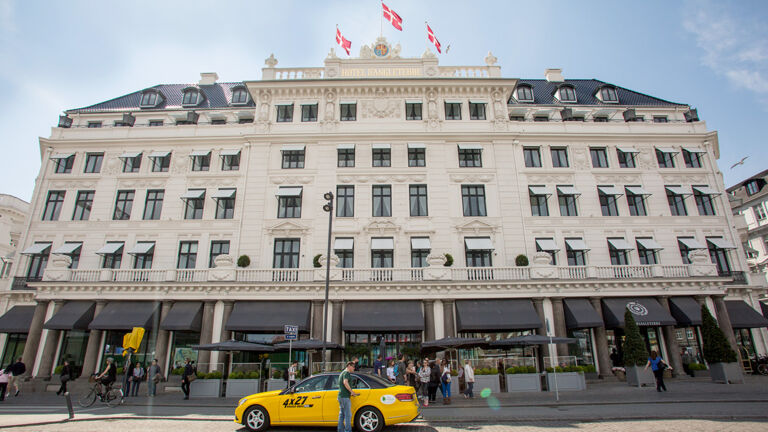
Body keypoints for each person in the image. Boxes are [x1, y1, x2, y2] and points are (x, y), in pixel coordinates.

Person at [337, 361, 359, 432]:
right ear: (349, 366)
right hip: (345, 396)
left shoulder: (342, 373)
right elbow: (345, 382)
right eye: (353, 367)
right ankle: (348, 430)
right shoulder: (346, 373)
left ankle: (340, 430)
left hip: (341, 396)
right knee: (347, 415)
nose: (354, 368)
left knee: (342, 414)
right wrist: (351, 392)